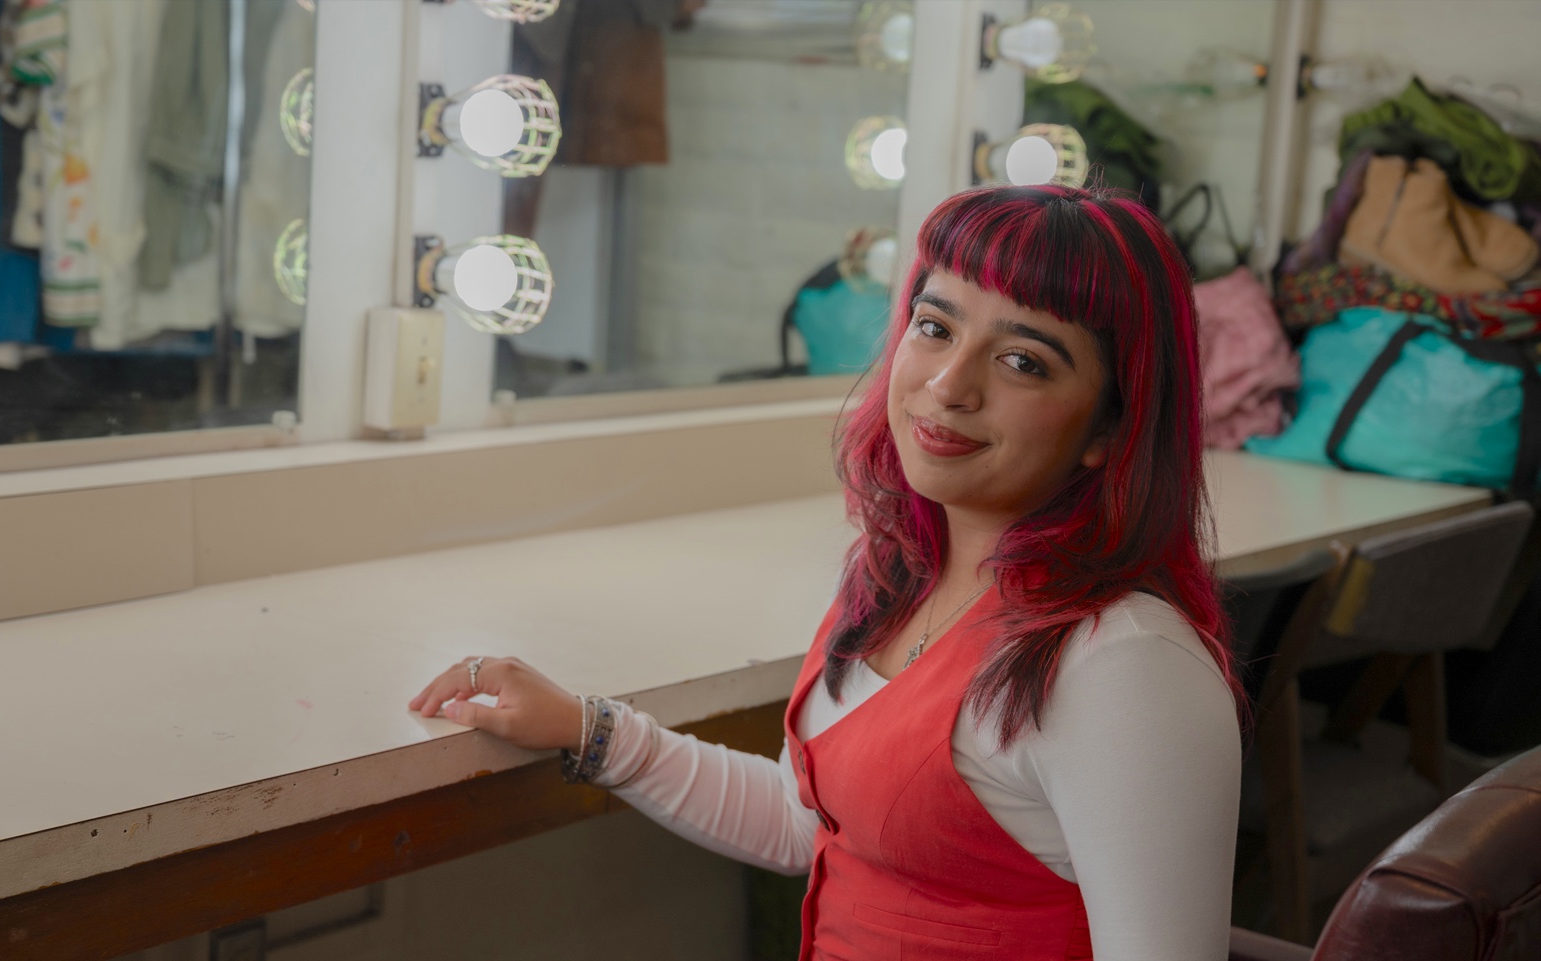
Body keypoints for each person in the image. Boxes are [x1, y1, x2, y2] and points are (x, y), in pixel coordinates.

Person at [410, 184, 1247, 961]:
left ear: (1111, 427)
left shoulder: (1122, 664)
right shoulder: (896, 576)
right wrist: (590, 730)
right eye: (935, 327)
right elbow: (813, 822)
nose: (949, 385)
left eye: (1023, 360)